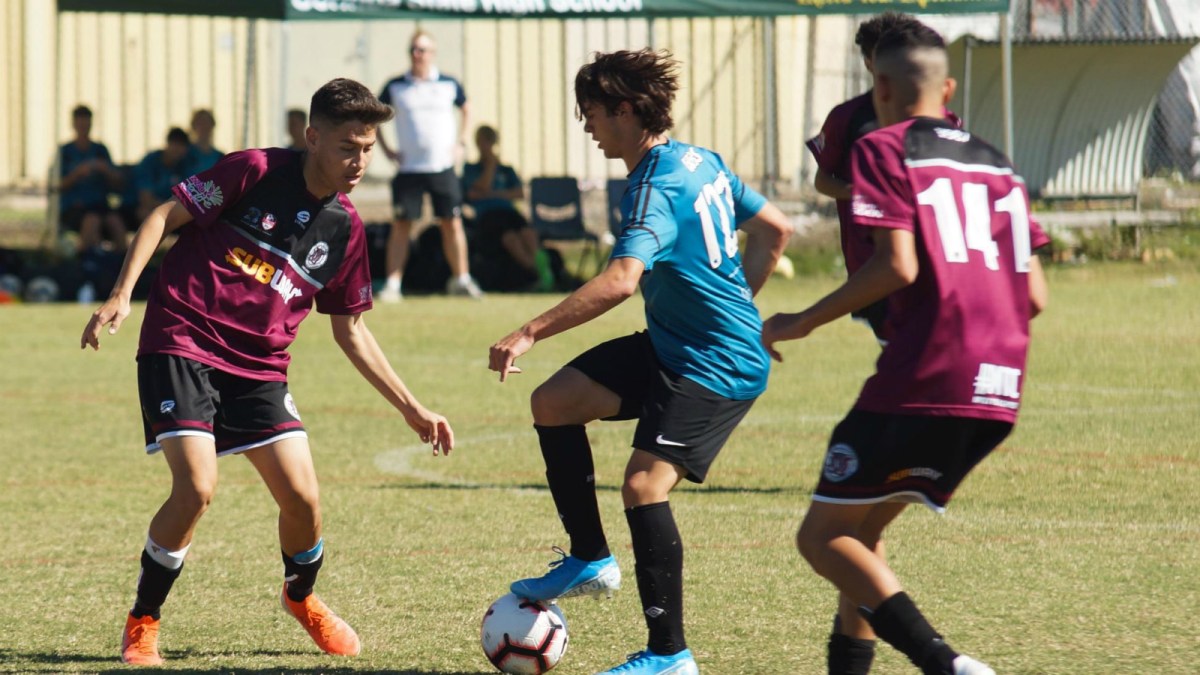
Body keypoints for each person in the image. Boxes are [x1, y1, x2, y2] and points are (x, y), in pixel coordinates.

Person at [80, 78, 454, 667]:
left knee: (303, 500)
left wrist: (413, 407)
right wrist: (122, 294)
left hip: (258, 368)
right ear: (312, 138)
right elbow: (161, 216)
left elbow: (351, 330)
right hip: (183, 338)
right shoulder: (253, 170)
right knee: (197, 488)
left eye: (368, 149)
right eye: (347, 148)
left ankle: (300, 597)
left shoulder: (347, 229)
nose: (359, 161)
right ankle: (143, 620)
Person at [489, 49, 793, 675]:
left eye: (592, 113)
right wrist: (737, 305)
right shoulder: (698, 160)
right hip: (678, 343)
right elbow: (775, 230)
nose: (587, 126)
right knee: (553, 403)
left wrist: (528, 332)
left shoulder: (653, 185)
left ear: (626, 110)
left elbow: (621, 280)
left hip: (714, 363)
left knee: (642, 486)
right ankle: (590, 559)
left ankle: (670, 657)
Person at [763, 21, 1050, 675]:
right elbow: (1034, 294)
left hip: (927, 371)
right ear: (946, 88)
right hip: (1000, 384)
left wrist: (801, 318)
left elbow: (896, 266)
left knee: (822, 535)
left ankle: (945, 662)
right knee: (862, 532)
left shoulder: (883, 146)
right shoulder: (997, 161)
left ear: (880, 85)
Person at [807, 12, 950, 343]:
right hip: (871, 257)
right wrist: (867, 193)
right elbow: (822, 181)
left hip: (934, 253)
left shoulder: (943, 120)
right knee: (904, 348)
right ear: (870, 63)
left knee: (915, 351)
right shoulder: (848, 118)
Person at [377, 29, 482, 301]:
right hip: (409, 169)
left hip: (442, 167)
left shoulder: (448, 83)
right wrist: (386, 149)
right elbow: (373, 116)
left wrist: (461, 142)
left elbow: (467, 108)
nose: (417, 54)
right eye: (413, 49)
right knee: (402, 225)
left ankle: (461, 279)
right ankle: (392, 284)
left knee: (452, 222)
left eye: (423, 49)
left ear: (432, 53)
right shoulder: (396, 86)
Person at [462, 124, 555, 292]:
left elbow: (519, 193)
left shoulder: (506, 170)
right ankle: (536, 273)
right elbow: (475, 193)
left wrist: (491, 193)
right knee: (510, 238)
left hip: (509, 212)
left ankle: (542, 271)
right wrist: (490, 166)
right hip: (488, 215)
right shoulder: (471, 169)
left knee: (528, 234)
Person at [58, 104, 128, 253]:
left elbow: (118, 181)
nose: (83, 127)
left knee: (115, 221)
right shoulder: (65, 152)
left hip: (99, 204)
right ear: (74, 124)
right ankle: (85, 260)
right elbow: (58, 185)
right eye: (80, 123)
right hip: (75, 206)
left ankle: (123, 262)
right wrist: (77, 174)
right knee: (92, 220)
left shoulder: (100, 150)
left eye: (86, 123)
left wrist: (106, 170)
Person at [132, 127, 192, 224]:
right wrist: (171, 208)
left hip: (171, 210)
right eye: (174, 144)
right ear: (167, 143)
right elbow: (145, 200)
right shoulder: (150, 162)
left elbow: (188, 198)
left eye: (181, 146)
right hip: (140, 208)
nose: (177, 149)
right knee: (148, 215)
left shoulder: (184, 165)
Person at [185, 109, 224, 174]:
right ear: (193, 126)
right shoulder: (185, 153)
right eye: (200, 123)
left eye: (207, 122)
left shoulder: (220, 157)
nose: (204, 126)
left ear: (213, 125)